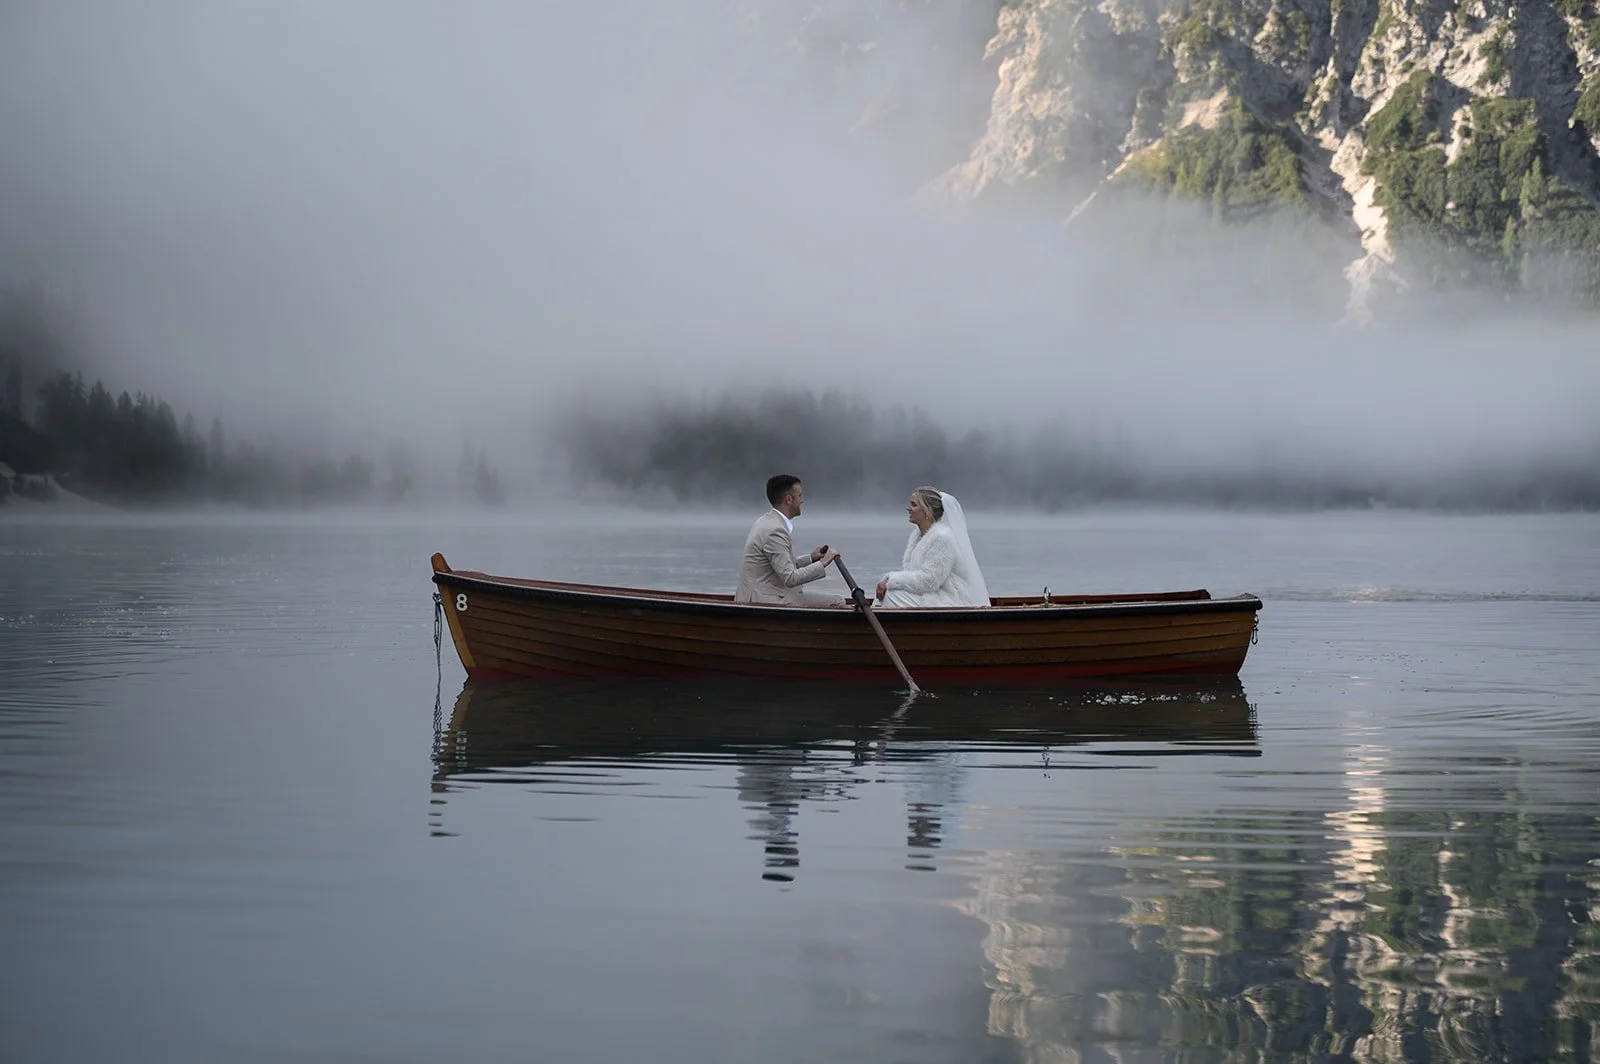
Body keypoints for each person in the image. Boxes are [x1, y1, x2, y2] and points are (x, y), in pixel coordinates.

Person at [735, 474, 843, 606]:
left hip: (764, 595)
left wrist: (811, 558)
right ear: (788, 500)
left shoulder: (767, 521)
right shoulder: (774, 531)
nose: (802, 500)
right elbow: (790, 578)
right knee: (838, 602)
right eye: (800, 496)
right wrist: (823, 563)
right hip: (763, 601)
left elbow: (782, 565)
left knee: (834, 600)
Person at [874, 486, 990, 608]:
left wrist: (892, 580)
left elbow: (930, 581)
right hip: (928, 594)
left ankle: (876, 618)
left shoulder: (942, 538)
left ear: (927, 510)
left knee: (890, 595)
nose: (908, 508)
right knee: (886, 593)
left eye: (913, 505)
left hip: (947, 599)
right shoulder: (918, 536)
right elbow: (914, 576)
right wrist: (888, 580)